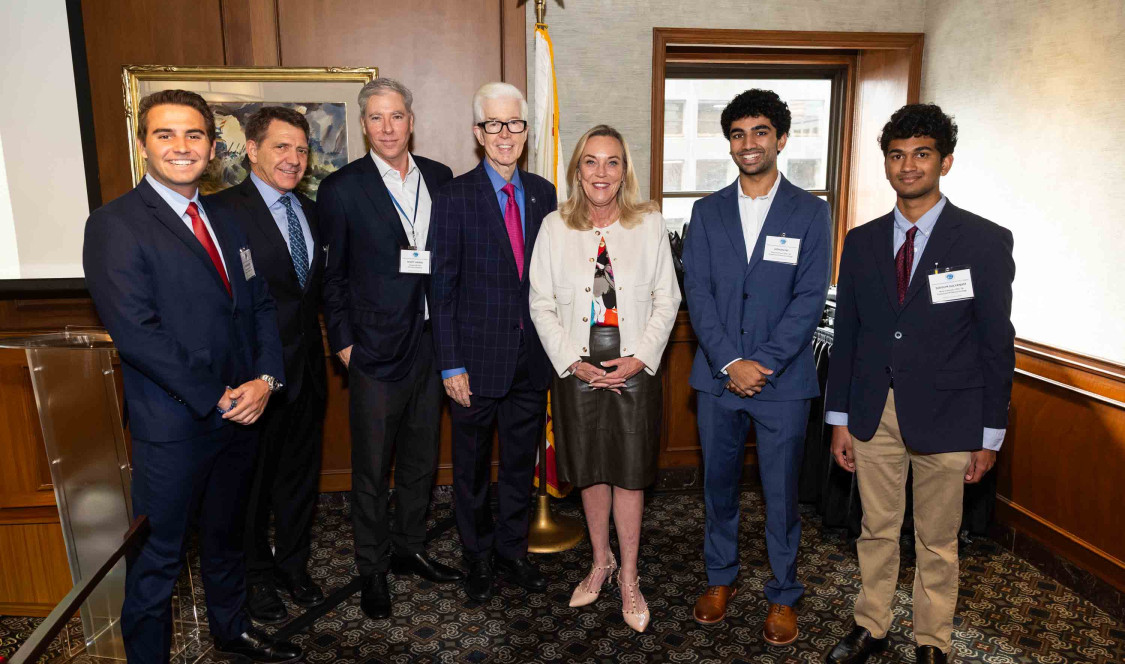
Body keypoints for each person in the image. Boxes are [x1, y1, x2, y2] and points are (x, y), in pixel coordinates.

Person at [82, 89, 299, 663]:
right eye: (165, 134)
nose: (181, 146)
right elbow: (138, 332)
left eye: (194, 135)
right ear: (143, 145)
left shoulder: (227, 217)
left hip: (241, 415)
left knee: (227, 538)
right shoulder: (115, 224)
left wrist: (265, 381)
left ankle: (232, 630)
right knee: (159, 560)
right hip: (175, 424)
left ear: (213, 146)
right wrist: (218, 395)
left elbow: (259, 308)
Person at [823, 104, 1015, 664]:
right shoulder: (860, 242)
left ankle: (932, 639)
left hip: (952, 416)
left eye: (922, 154)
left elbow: (995, 343)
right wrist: (839, 419)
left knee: (938, 538)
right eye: (897, 155)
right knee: (876, 528)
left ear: (945, 161)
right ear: (886, 164)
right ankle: (872, 625)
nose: (908, 166)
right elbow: (849, 337)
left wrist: (990, 433)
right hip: (874, 409)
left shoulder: (983, 241)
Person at [682, 89, 831, 645]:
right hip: (719, 381)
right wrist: (728, 361)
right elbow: (695, 292)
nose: (750, 143)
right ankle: (720, 579)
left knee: (782, 494)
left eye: (761, 132)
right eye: (739, 133)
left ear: (782, 139)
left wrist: (762, 363)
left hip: (783, 383)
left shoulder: (811, 212)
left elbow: (810, 298)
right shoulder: (706, 210)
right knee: (718, 488)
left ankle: (783, 592)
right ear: (730, 142)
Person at [318, 78, 461, 620]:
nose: (387, 128)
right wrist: (345, 345)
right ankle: (372, 568)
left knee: (423, 458)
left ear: (411, 119)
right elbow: (331, 279)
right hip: (374, 349)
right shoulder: (341, 189)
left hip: (433, 342)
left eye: (396, 116)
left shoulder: (440, 178)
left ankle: (409, 547)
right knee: (373, 468)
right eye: (376, 118)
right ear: (363, 124)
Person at [528, 125, 679, 632]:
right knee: (590, 469)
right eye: (590, 162)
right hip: (576, 369)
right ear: (577, 170)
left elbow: (668, 299)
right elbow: (541, 303)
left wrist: (638, 358)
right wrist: (573, 360)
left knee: (630, 473)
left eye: (612, 162)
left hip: (635, 368)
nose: (601, 172)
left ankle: (630, 576)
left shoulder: (649, 224)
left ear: (624, 171)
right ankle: (601, 561)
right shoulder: (554, 227)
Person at [429, 82, 558, 603]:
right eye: (494, 125)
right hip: (474, 365)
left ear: (526, 131)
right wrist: (449, 364)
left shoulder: (544, 193)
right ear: (478, 133)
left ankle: (512, 551)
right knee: (472, 470)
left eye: (515, 124)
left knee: (519, 467)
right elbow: (441, 288)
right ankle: (477, 557)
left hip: (530, 362)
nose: (506, 135)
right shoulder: (455, 196)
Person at [204, 106, 327, 623]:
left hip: (309, 372)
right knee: (252, 487)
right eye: (281, 147)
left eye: (301, 149)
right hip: (255, 376)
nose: (293, 159)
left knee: (300, 478)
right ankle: (255, 578)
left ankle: (293, 567)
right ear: (251, 150)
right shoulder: (222, 211)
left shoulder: (311, 212)